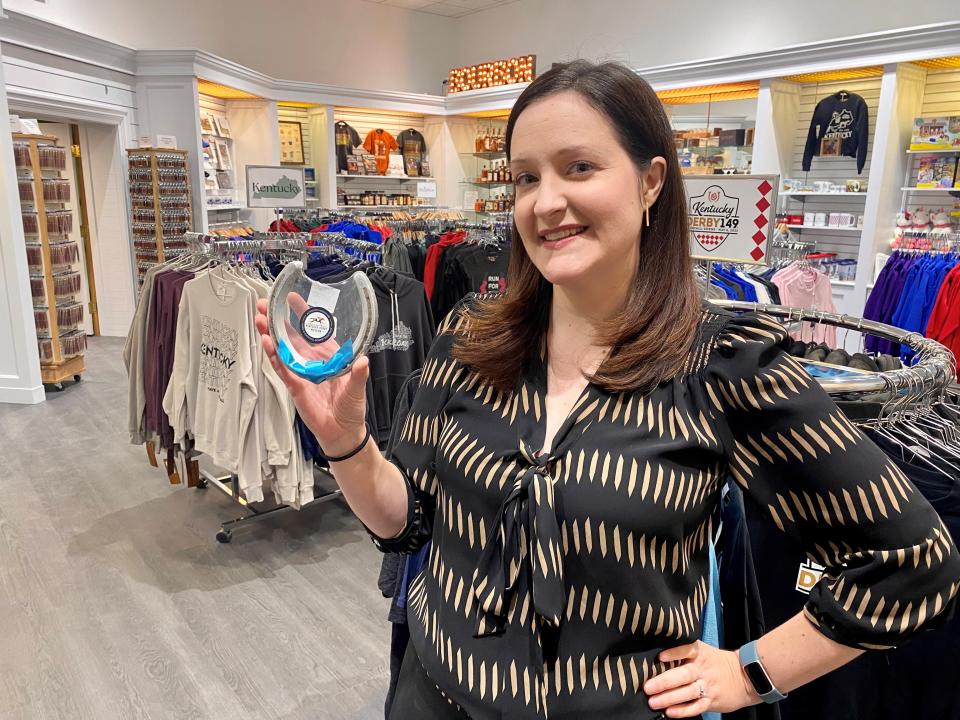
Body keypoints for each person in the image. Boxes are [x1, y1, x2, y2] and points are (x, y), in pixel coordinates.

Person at [254, 60, 960, 720]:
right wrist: (346, 440)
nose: (546, 201)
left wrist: (749, 672)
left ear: (652, 181)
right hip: (431, 696)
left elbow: (912, 562)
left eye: (579, 167)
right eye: (525, 177)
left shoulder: (723, 366)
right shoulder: (471, 337)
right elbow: (405, 522)